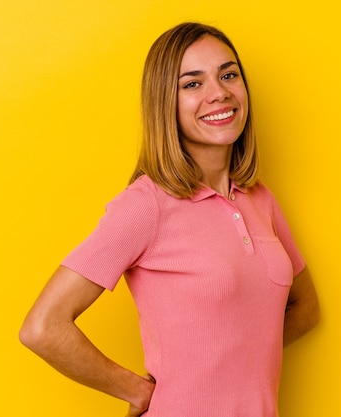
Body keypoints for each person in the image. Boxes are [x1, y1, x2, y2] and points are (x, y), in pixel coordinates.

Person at [19, 22, 320, 417]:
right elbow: (43, 327)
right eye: (192, 84)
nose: (219, 93)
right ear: (165, 102)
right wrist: (137, 392)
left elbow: (305, 308)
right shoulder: (147, 205)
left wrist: (232, 363)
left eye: (228, 74)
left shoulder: (259, 199)